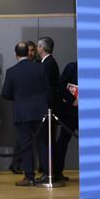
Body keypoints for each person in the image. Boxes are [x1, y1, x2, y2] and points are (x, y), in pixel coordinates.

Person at [2, 41, 48, 186]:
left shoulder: (12, 71)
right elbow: (48, 88)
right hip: (40, 111)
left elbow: (5, 94)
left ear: (16, 55)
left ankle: (29, 176)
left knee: (26, 145)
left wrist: (18, 98)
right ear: (29, 53)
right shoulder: (40, 68)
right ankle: (47, 174)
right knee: (42, 143)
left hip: (22, 112)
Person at [36, 36, 60, 182]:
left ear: (43, 48)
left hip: (48, 108)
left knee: (46, 141)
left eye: (39, 46)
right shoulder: (48, 63)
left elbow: (47, 88)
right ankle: (51, 171)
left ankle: (49, 172)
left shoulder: (48, 64)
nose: (37, 48)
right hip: (49, 108)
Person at [53, 62, 78, 182]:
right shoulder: (72, 67)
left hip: (90, 113)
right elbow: (61, 85)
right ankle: (57, 172)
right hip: (71, 112)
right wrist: (72, 100)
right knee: (63, 142)